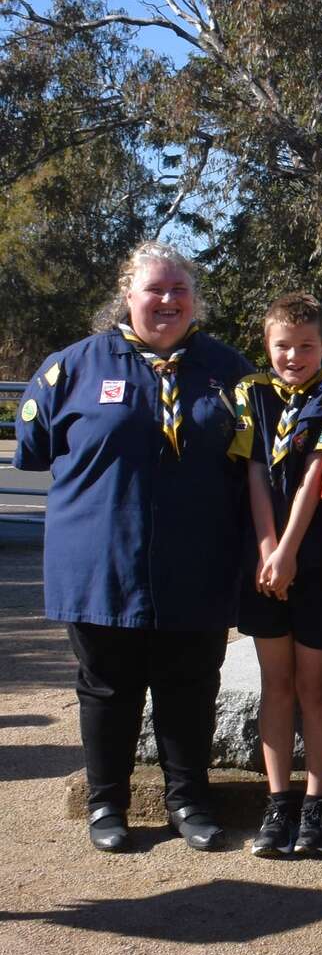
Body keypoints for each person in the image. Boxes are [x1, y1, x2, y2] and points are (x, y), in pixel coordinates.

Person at [13, 241, 251, 853]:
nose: (168, 300)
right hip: (100, 563)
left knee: (191, 684)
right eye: (155, 289)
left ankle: (189, 801)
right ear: (128, 294)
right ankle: (106, 805)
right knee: (107, 685)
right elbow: (35, 451)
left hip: (195, 560)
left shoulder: (229, 373)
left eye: (180, 290)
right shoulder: (72, 369)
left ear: (194, 299)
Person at [232, 292, 322, 857]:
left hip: (310, 556)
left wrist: (286, 550)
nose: (294, 356)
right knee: (275, 683)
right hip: (263, 562)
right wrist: (266, 549)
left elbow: (315, 472)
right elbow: (256, 468)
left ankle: (317, 804)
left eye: (307, 346)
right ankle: (277, 802)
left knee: (314, 685)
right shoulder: (250, 392)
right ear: (267, 345)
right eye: (283, 345)